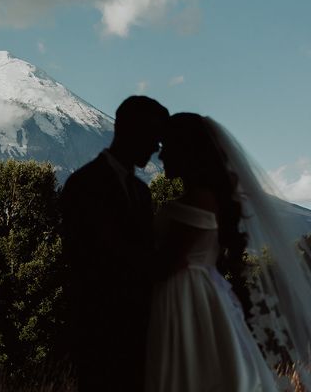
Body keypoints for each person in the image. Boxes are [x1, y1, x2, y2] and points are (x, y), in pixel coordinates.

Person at [146, 113, 311, 391]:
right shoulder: (210, 196)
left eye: (168, 148)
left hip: (187, 296)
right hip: (201, 292)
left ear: (187, 151)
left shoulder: (199, 198)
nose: (161, 158)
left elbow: (171, 259)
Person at [60, 96, 169, 391]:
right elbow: (81, 257)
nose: (156, 150)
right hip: (97, 331)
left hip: (139, 334)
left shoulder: (141, 193)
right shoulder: (83, 184)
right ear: (131, 132)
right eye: (153, 139)